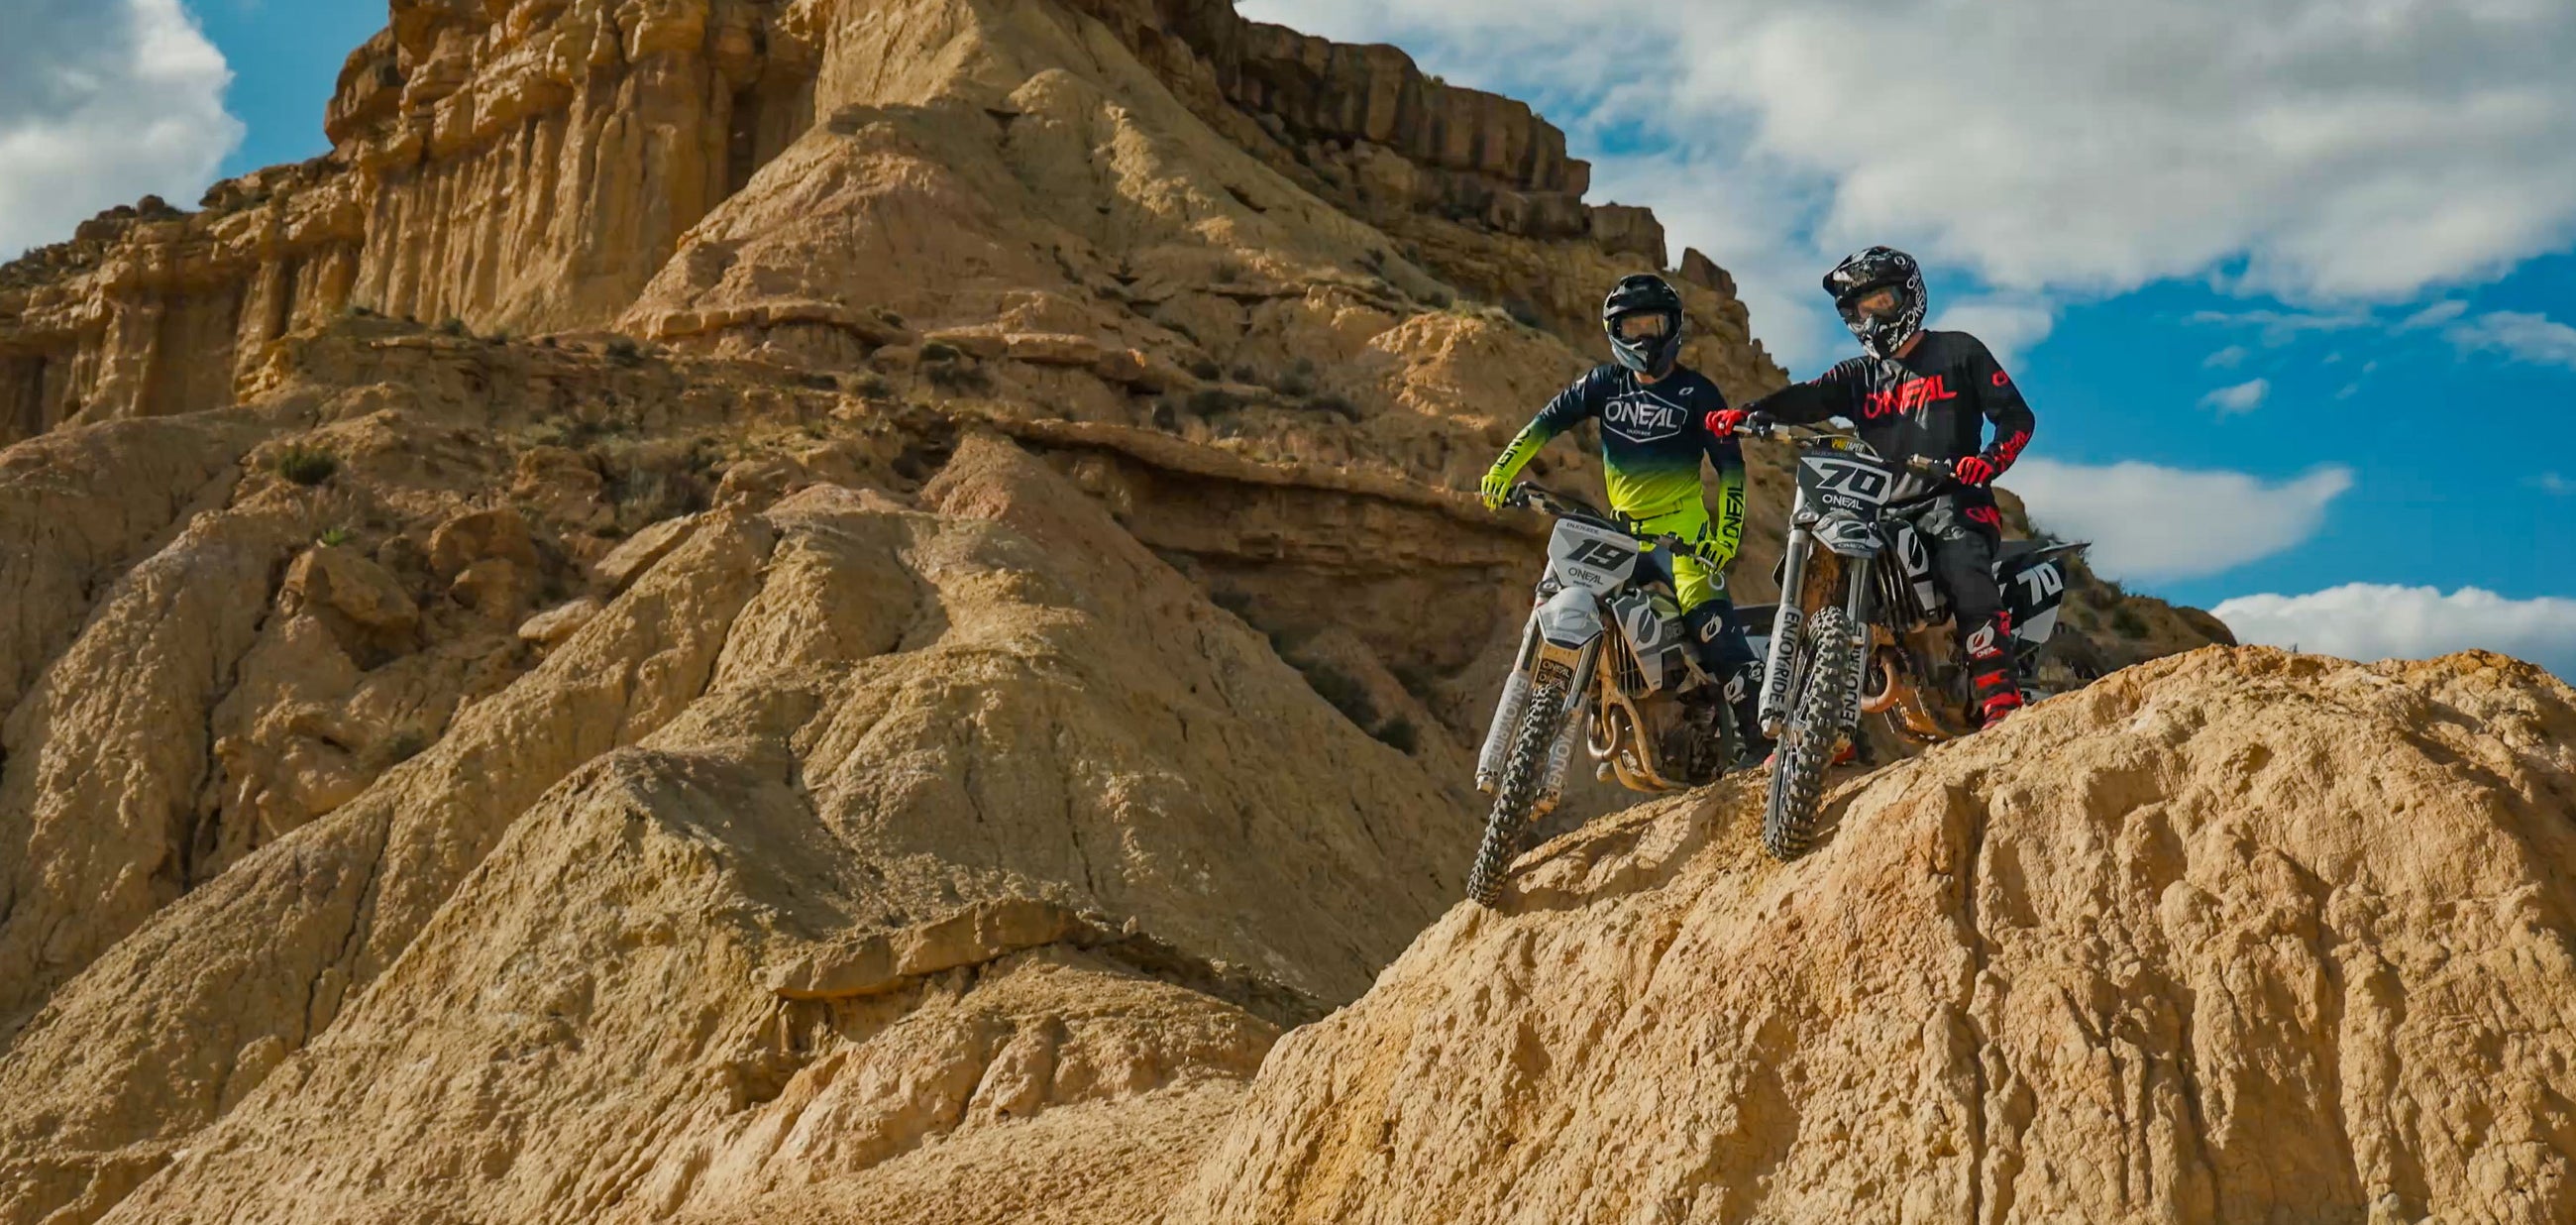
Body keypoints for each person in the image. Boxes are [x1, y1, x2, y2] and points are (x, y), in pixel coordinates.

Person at [1707, 246, 2036, 725]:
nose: (1873, 314)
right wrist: (1750, 413)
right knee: (1832, 589)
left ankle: (1999, 693)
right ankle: (1823, 729)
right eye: (1863, 306)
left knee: (1960, 558)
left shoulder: (1959, 351)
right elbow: (1808, 397)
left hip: (1953, 499)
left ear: (1909, 297)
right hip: (1878, 510)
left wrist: (1987, 462)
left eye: (1882, 301)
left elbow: (2017, 417)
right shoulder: (1859, 375)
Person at [1480, 274, 1769, 758]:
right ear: (1615, 332)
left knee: (1717, 636)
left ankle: (1765, 750)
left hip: (1685, 541)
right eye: (1631, 327)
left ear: (1673, 327)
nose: (1643, 338)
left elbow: (1731, 469)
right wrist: (1501, 470)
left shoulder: (1698, 392)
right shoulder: (1602, 383)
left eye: (1652, 325)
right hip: (1620, 536)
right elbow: (1545, 423)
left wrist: (1726, 537)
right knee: (1575, 603)